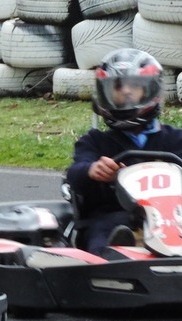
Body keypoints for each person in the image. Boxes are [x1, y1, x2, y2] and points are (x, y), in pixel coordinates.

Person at [65, 48, 182, 255]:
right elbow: (75, 172)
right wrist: (92, 170)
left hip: (172, 218)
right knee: (101, 234)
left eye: (134, 86)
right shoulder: (95, 141)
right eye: (118, 88)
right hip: (114, 216)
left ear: (150, 90)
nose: (126, 92)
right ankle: (114, 257)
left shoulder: (175, 139)